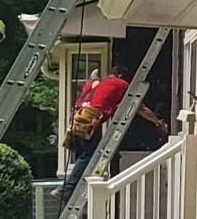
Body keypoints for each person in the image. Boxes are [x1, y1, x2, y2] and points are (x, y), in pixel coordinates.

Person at [61, 61, 166, 194]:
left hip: (76, 117)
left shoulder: (94, 84)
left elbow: (104, 101)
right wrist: (157, 122)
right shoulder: (120, 84)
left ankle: (70, 190)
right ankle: (66, 188)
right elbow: (140, 107)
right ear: (120, 76)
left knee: (82, 156)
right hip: (90, 119)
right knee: (88, 155)